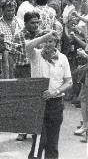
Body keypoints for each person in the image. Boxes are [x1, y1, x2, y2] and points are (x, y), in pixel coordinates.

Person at [25, 30, 73, 159]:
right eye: (44, 41)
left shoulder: (62, 58)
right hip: (38, 103)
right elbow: (28, 46)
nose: (47, 44)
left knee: (52, 143)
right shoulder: (35, 55)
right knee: (39, 140)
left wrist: (54, 92)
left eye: (50, 41)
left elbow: (69, 82)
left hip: (56, 104)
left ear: (56, 43)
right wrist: (45, 36)